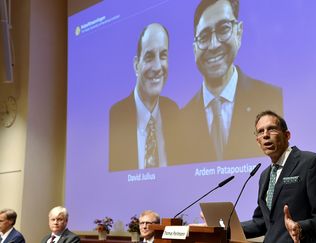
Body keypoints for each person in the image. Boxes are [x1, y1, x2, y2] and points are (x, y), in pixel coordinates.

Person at [179, 0, 283, 164]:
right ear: (194, 49)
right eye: (204, 37)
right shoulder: (182, 118)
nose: (213, 45)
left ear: (239, 32)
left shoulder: (273, 96)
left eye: (223, 29)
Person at [241, 110, 316, 243]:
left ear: (287, 135)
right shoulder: (264, 176)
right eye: (261, 131)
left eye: (272, 129)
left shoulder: (311, 163)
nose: (266, 135)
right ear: (258, 141)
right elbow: (262, 222)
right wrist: (223, 228)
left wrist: (300, 228)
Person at [109, 23, 180, 171]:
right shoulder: (116, 116)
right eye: (149, 57)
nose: (157, 67)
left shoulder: (174, 112)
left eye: (163, 56)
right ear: (136, 66)